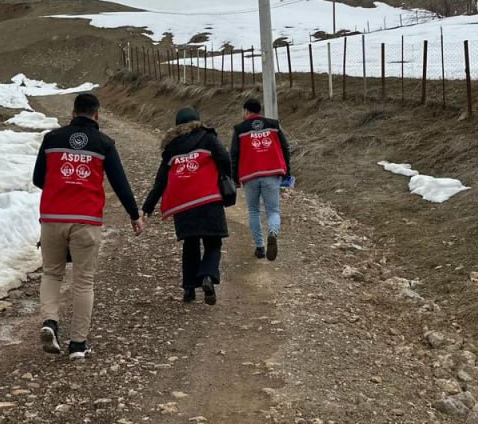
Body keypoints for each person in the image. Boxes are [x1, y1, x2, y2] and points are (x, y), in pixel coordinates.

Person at [33, 92, 142, 359]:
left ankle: (50, 322)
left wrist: (62, 185)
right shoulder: (104, 143)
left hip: (52, 217)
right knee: (83, 280)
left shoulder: (51, 139)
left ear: (72, 112)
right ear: (97, 114)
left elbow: (38, 179)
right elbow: (119, 182)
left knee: (51, 273)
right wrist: (134, 214)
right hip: (86, 219)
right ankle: (78, 345)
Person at [142, 106, 231, 304]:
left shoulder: (171, 147)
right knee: (213, 242)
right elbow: (224, 157)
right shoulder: (208, 137)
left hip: (182, 204)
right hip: (208, 199)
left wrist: (146, 208)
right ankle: (207, 275)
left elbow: (161, 182)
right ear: (197, 121)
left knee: (190, 244)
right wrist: (227, 178)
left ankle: (189, 290)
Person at [230, 97, 291, 261]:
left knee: (254, 211)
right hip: (272, 173)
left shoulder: (239, 129)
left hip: (249, 176)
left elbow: (234, 155)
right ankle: (273, 232)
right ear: (259, 111)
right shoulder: (274, 125)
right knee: (273, 210)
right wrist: (286, 171)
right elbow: (286, 147)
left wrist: (234, 178)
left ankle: (260, 247)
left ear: (245, 111)